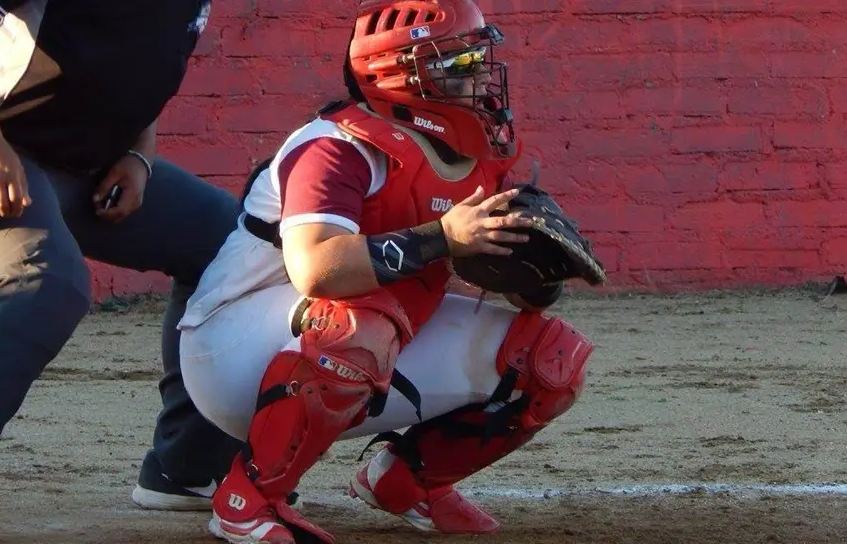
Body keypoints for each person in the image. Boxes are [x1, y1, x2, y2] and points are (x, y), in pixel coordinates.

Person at [175, 1, 598, 542]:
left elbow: (523, 298)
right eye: (461, 62)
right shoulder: (336, 146)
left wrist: (536, 274)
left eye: (477, 58)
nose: (479, 75)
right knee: (359, 323)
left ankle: (407, 479)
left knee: (551, 360)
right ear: (405, 72)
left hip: (369, 330)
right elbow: (318, 269)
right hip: (232, 349)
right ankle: (248, 500)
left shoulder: (472, 152)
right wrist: (443, 238)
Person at [0, 1, 248, 542]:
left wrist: (139, 155)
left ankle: (185, 469)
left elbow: (139, 69)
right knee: (46, 283)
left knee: (233, 243)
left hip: (93, 166)